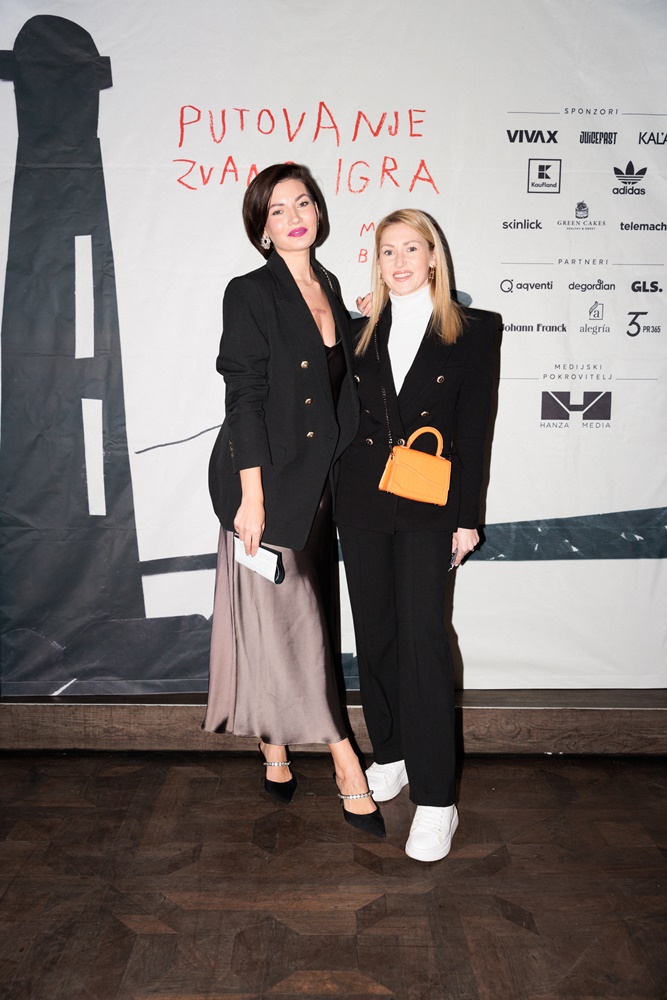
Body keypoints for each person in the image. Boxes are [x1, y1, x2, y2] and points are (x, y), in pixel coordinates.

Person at [203, 163, 384, 838]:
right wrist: (251, 498)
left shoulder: (329, 287)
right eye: (276, 210)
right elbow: (244, 396)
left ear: (318, 211)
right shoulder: (249, 292)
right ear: (262, 229)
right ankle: (344, 760)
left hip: (321, 486)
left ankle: (274, 743)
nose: (293, 217)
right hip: (266, 484)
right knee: (293, 625)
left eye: (302, 202)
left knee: (301, 622)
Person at [335, 208, 497, 860]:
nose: (399, 261)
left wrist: (467, 517)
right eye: (387, 250)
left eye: (411, 248)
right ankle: (393, 752)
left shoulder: (474, 330)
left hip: (431, 505)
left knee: (423, 642)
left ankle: (436, 800)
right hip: (362, 501)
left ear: (433, 256)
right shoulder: (356, 332)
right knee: (375, 635)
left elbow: (474, 429)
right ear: (375, 262)